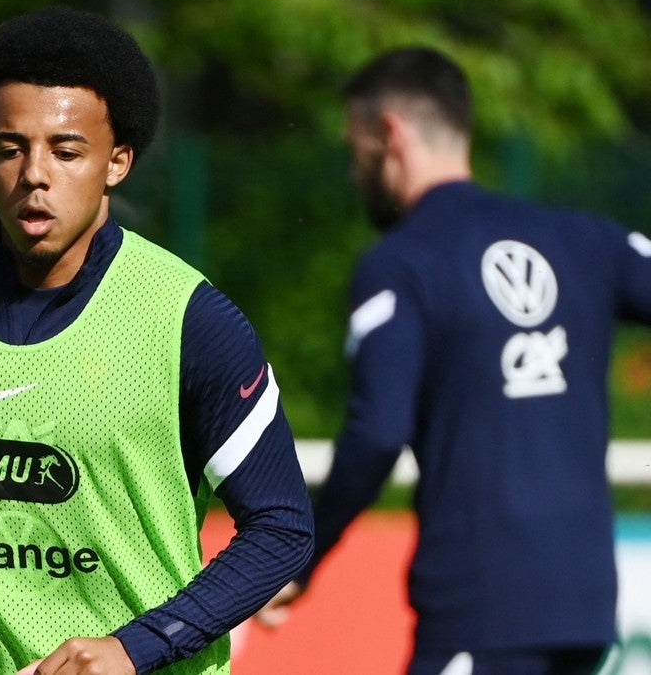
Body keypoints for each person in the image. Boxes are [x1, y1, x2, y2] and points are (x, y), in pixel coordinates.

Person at [0, 5, 314, 675]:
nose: (35, 174)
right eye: (10, 148)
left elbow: (283, 529)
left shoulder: (187, 319)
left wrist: (135, 647)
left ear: (117, 161)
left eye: (66, 151)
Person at [255, 46, 651, 674]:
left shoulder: (403, 261)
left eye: (356, 151)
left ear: (389, 134)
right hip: (586, 605)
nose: (356, 172)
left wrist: (303, 556)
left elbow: (378, 430)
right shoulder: (586, 239)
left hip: (483, 605)